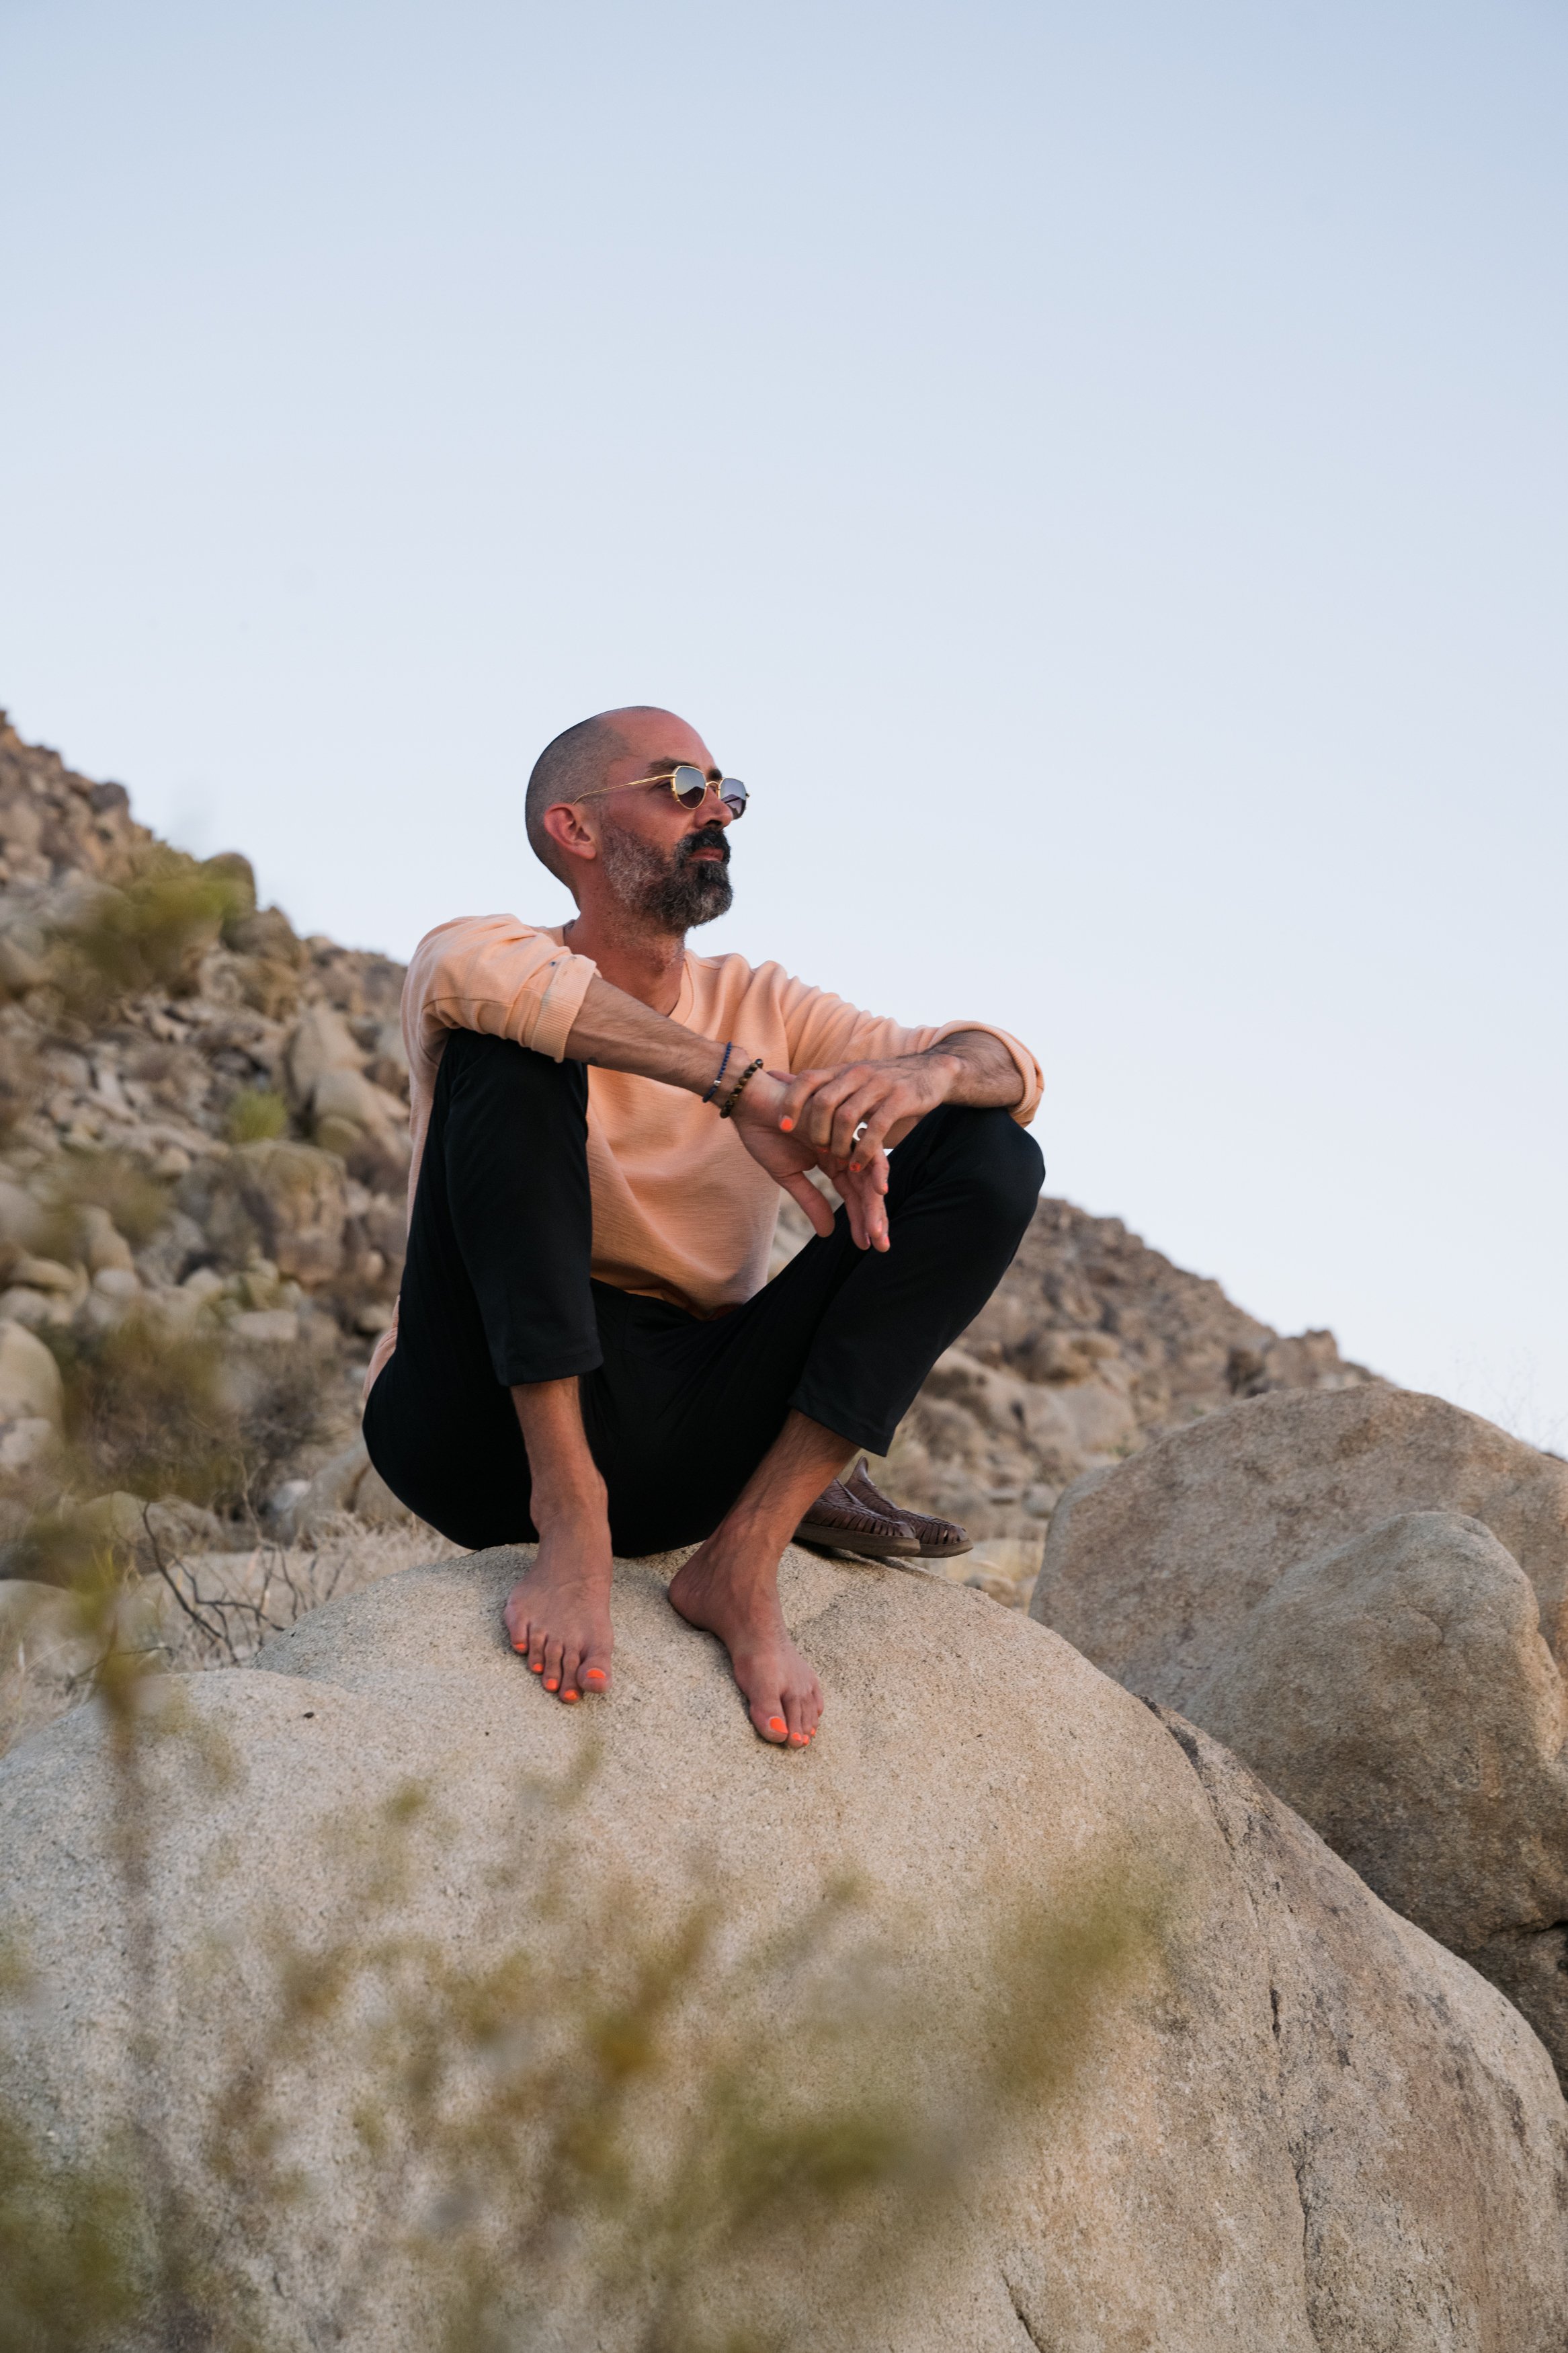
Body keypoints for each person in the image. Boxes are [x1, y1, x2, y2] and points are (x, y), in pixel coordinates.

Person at [363, 707, 1043, 1750]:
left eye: (727, 788)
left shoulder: (761, 1000)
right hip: (471, 1416)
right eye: (681, 784)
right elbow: (497, 992)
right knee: (509, 1051)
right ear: (575, 830)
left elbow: (1009, 1066)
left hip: (682, 1412)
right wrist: (740, 1088)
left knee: (989, 1153)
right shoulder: (480, 952)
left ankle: (744, 1556)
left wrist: (931, 1072)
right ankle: (571, 1513)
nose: (717, 808)